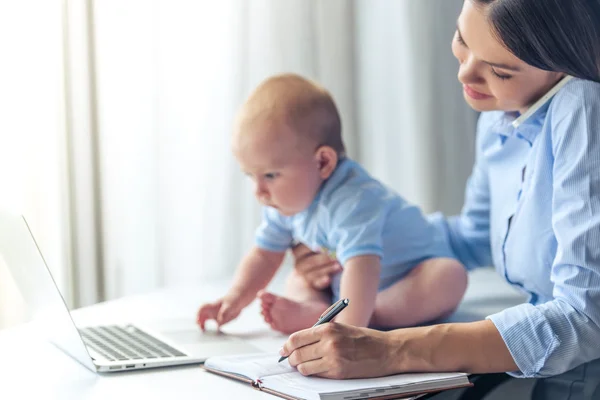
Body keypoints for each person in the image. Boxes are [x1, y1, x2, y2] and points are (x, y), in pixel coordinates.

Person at [279, 0, 600, 397]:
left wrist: (393, 350)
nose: (466, 72)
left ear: (568, 63)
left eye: (499, 70)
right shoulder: (501, 118)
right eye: (462, 40)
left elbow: (586, 317)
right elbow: (472, 239)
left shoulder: (583, 107)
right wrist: (361, 243)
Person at [196, 74, 468, 335]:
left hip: (405, 281)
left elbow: (363, 268)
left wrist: (348, 332)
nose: (259, 192)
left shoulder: (353, 200)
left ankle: (357, 319)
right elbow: (264, 256)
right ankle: (318, 311)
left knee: (449, 276)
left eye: (270, 175)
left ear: (323, 162)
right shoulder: (284, 202)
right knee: (298, 278)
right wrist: (234, 299)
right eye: (250, 176)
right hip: (347, 290)